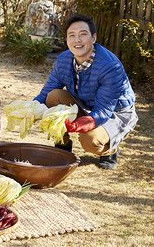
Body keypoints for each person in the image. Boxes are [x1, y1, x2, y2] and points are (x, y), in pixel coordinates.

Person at [34, 14, 138, 169]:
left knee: (89, 140)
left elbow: (103, 111)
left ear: (93, 38)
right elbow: (46, 93)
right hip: (83, 103)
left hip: (115, 111)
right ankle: (63, 144)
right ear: (67, 39)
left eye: (83, 34)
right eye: (72, 35)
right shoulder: (63, 59)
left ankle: (110, 149)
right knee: (53, 97)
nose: (77, 40)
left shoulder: (110, 66)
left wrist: (81, 124)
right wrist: (30, 109)